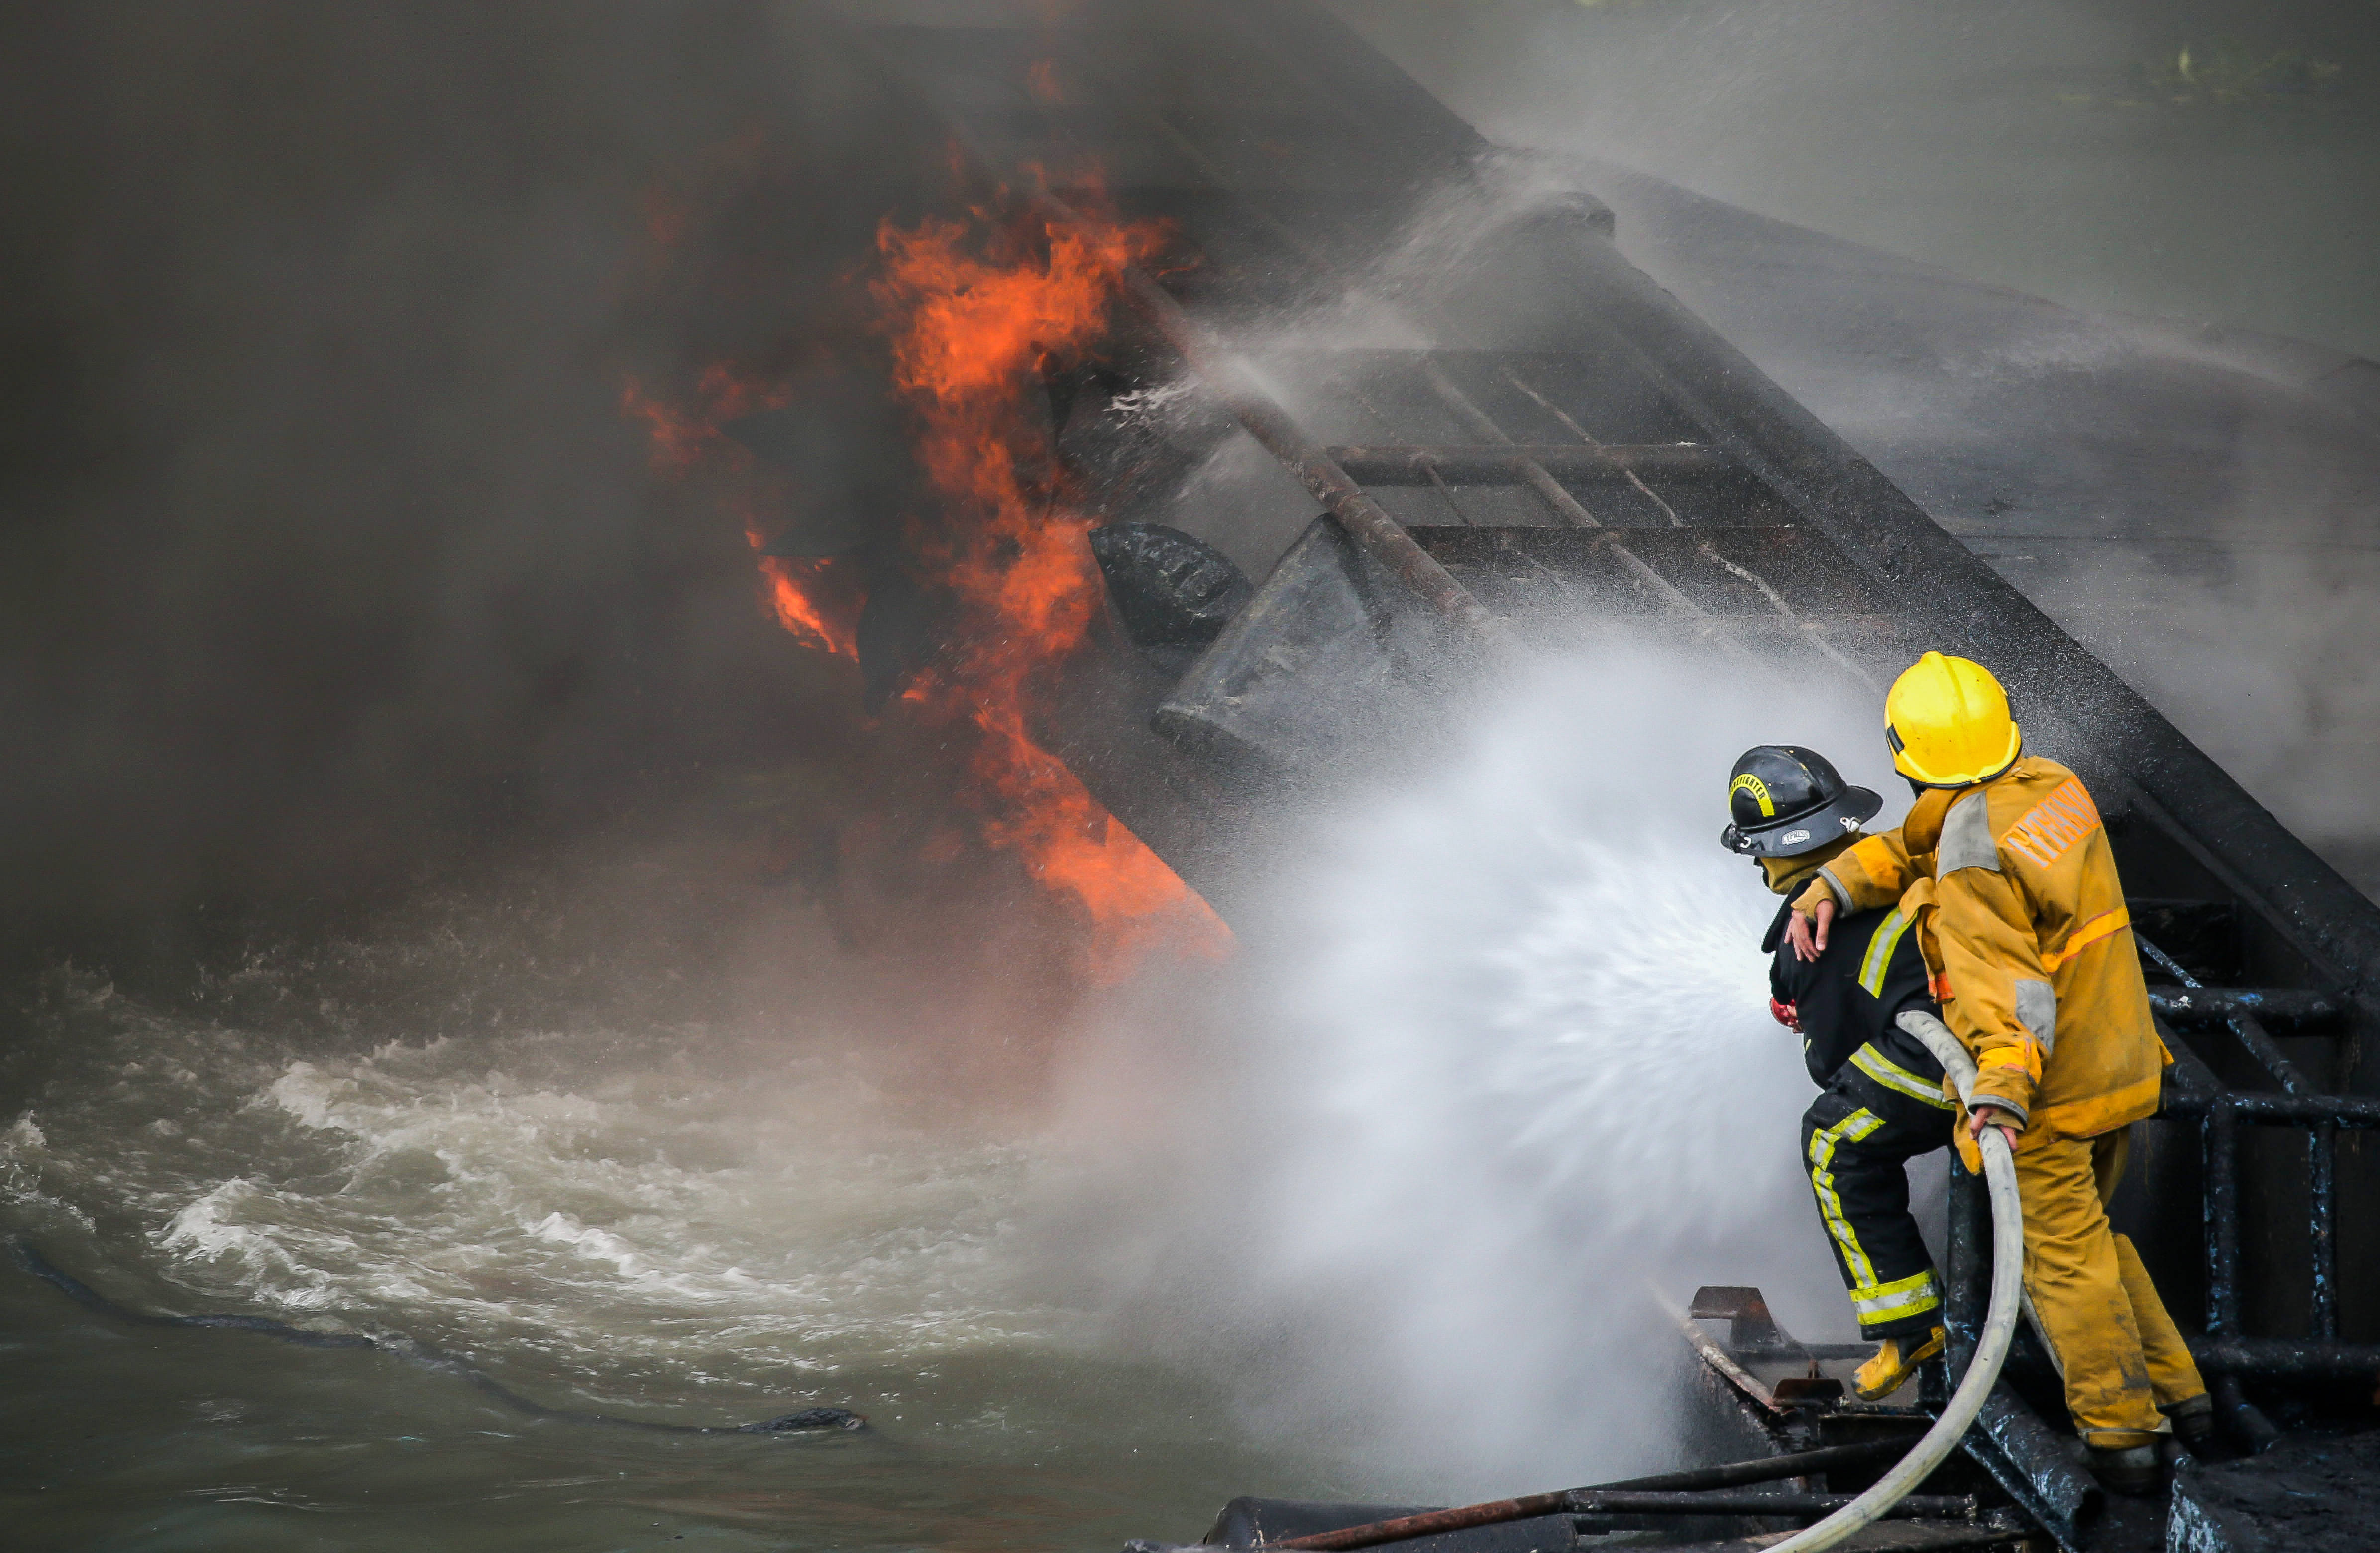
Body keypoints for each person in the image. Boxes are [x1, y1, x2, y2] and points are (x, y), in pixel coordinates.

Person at [1783, 651, 2216, 1492]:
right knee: (2092, 1241)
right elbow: (1914, 845)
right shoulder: (2050, 785)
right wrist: (1835, 881)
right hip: (2121, 1058)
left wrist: (2001, 1093)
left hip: (2051, 1088)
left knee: (2057, 1265)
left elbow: (2002, 993)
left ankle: (2123, 1437)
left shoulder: (1972, 863)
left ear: (1904, 754)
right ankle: (2183, 1397)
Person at [1722, 744, 1955, 1403]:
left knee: (1833, 1139)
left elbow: (1832, 1064)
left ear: (1768, 849)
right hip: (2003, 1039)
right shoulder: (1886, 860)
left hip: (1940, 1059)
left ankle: (1908, 1326)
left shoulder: (1804, 932)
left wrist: (1806, 1015)